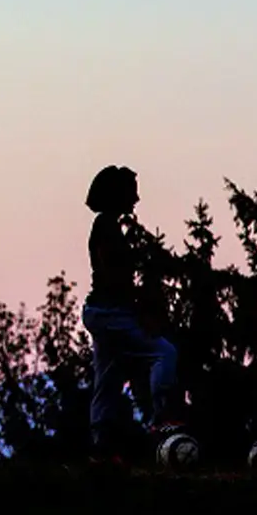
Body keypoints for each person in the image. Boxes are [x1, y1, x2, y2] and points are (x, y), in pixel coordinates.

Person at [80, 165, 184, 459]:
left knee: (108, 375)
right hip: (112, 313)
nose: (136, 199)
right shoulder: (107, 228)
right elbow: (114, 277)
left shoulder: (106, 226)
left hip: (102, 312)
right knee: (164, 352)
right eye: (131, 192)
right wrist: (141, 309)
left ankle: (102, 441)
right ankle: (162, 419)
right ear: (117, 194)